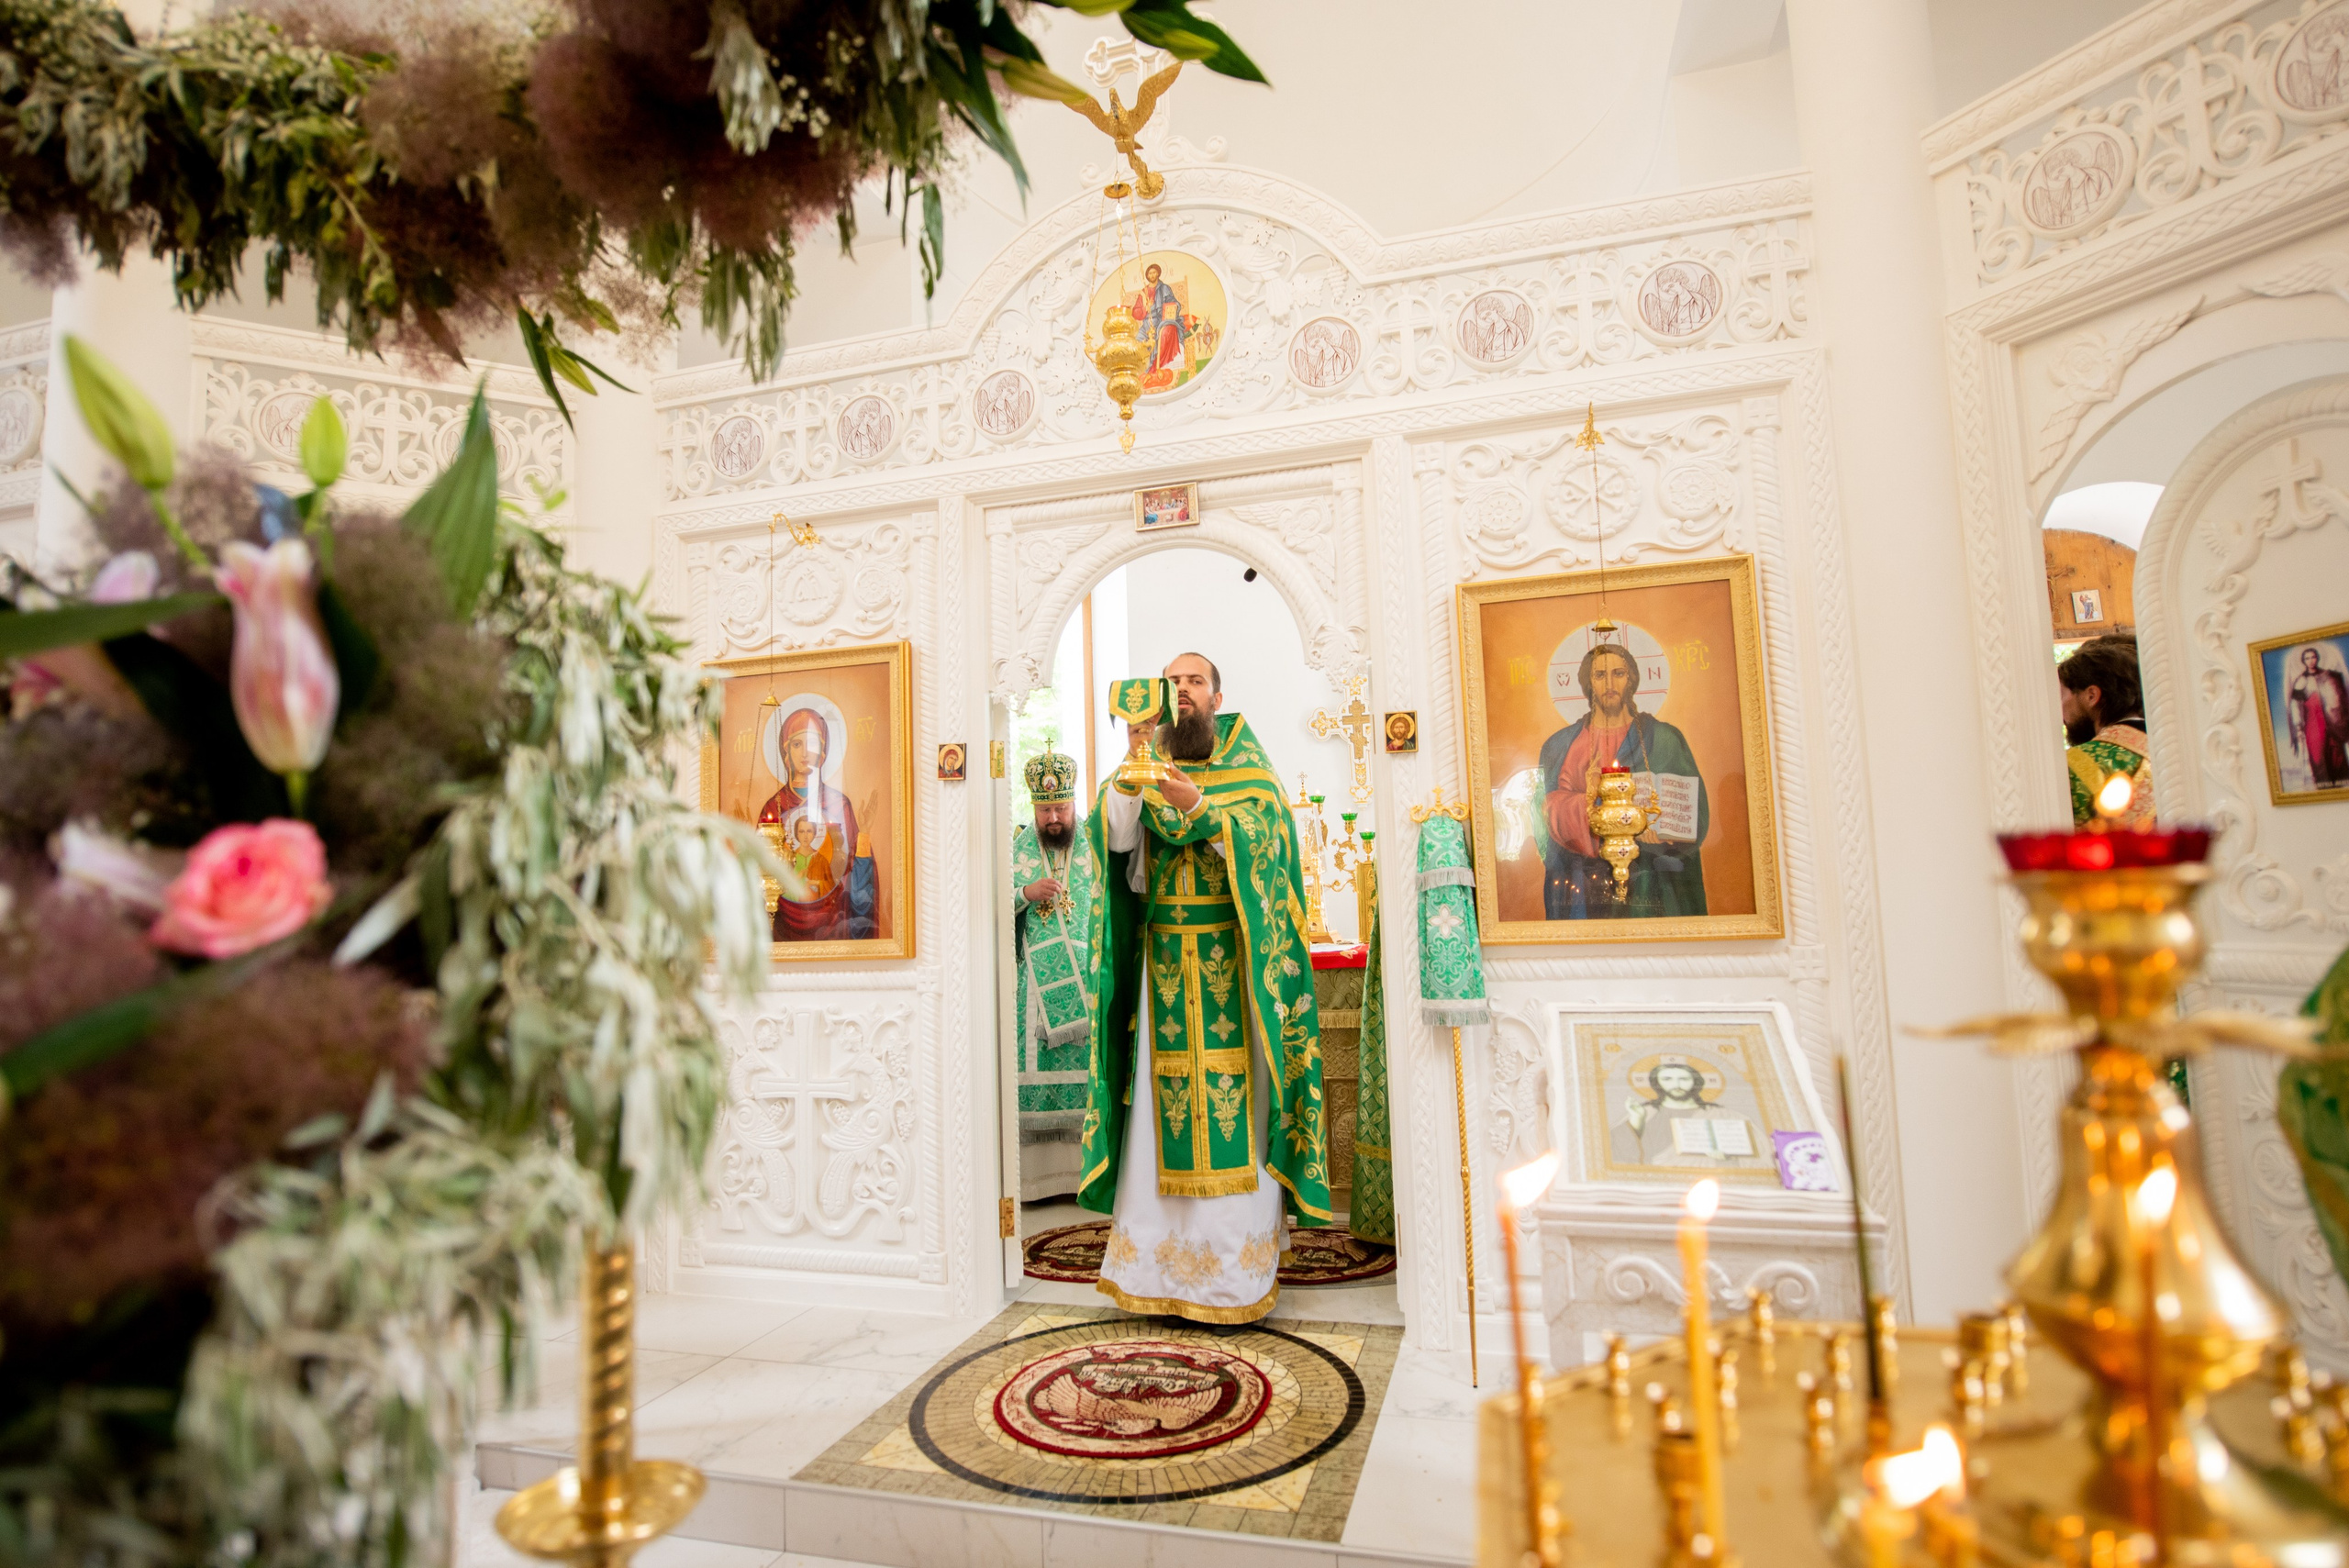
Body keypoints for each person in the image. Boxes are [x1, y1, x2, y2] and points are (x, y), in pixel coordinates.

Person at [1079, 653, 1330, 1328]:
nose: (1182, 690)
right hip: (1161, 967)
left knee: (1234, 1116)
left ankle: (1232, 1273)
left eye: (1194, 680)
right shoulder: (1146, 759)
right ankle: (1151, 1264)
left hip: (1233, 970)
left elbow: (1270, 842)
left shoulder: (1250, 767)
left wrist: (1205, 809)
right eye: (1173, 681)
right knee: (1155, 1129)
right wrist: (1135, 770)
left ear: (1217, 694)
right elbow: (1115, 838)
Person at [1535, 641, 1709, 918]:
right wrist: (1590, 805)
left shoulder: (1664, 739)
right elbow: (1542, 813)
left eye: (1618, 673)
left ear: (1631, 679)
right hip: (1582, 885)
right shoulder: (1559, 746)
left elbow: (1693, 816)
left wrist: (1662, 834)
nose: (1609, 683)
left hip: (1649, 885)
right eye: (1599, 675)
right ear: (1588, 682)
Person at [1010, 751, 1100, 1195]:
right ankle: (1039, 1183)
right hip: (1034, 989)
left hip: (1088, 979)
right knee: (1036, 1071)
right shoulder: (1017, 846)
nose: (1053, 818)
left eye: (1060, 808)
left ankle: (1085, 1177)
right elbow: (987, 900)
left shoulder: (1095, 845)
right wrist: (1025, 891)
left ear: (1073, 804)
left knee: (1088, 1073)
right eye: (1045, 810)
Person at [759, 705, 877, 940]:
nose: (804, 753)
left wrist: (863, 834)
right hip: (780, 926)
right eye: (796, 744)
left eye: (812, 744)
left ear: (823, 754)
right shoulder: (773, 808)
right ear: (786, 753)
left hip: (832, 926)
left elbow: (854, 877)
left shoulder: (839, 805)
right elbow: (759, 876)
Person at [2059, 635, 2157, 827]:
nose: (2059, 708)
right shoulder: (2174, 744)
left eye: (2062, 695)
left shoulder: (2072, 764)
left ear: (2091, 696)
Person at [1610, 1058, 1764, 1171]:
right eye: (1667, 1079)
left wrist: (1727, 1159)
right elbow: (1617, 1154)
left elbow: (1761, 1158)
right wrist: (1637, 1122)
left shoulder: (1725, 1115)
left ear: (1696, 1082)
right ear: (1657, 1083)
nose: (1676, 1085)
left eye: (1684, 1079)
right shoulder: (1645, 1112)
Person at [2286, 644, 2349, 789]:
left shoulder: (2331, 676)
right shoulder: (2301, 681)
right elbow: (2296, 706)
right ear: (2303, 661)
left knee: (2336, 753)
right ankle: (2323, 787)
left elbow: (2343, 700)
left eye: (2313, 657)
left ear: (2318, 658)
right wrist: (2298, 726)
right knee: (2317, 754)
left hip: (2333, 721)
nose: (2311, 661)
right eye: (2307, 658)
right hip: (2313, 724)